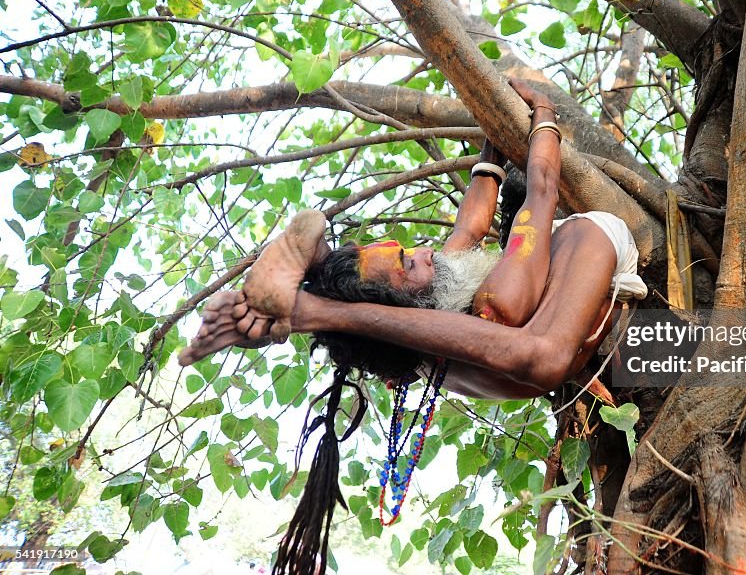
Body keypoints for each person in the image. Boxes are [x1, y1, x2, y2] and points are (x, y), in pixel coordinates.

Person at [179, 79, 647, 575]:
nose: (423, 252)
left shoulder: (435, 331)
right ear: (400, 303)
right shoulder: (488, 311)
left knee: (489, 277)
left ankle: (316, 289)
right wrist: (545, 113)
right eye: (407, 264)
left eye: (406, 249)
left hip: (584, 302)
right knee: (509, 302)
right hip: (590, 247)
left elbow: (470, 223)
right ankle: (314, 305)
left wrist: (493, 133)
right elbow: (543, 190)